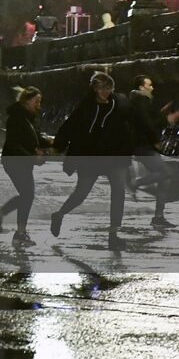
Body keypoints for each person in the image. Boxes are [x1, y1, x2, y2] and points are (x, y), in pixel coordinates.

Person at [51, 72, 134, 250]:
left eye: (110, 88)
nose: (107, 92)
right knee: (82, 192)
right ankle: (59, 214)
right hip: (90, 156)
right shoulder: (86, 107)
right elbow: (69, 127)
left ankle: (113, 235)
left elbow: (130, 124)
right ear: (95, 89)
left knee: (118, 191)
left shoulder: (118, 103)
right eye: (104, 88)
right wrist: (58, 146)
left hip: (113, 155)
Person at [0, 86, 52, 246]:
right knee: (28, 195)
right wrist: (33, 157)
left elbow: (37, 139)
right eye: (36, 101)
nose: (39, 104)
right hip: (14, 161)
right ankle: (19, 234)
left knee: (27, 195)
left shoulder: (28, 118)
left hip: (21, 161)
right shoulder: (16, 118)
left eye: (40, 101)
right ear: (26, 100)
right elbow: (14, 145)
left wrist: (54, 142)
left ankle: (0, 215)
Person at [129, 75, 179, 229]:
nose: (152, 88)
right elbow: (146, 124)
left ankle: (158, 217)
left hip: (144, 144)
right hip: (143, 145)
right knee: (166, 173)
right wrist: (167, 120)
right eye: (149, 85)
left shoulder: (142, 101)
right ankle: (134, 183)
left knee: (164, 179)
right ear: (141, 87)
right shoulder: (140, 101)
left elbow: (147, 119)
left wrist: (162, 113)